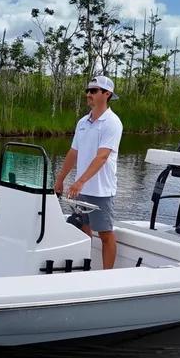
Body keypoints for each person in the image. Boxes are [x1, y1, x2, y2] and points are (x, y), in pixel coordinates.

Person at [53, 75, 123, 270]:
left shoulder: (112, 123)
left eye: (94, 91)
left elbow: (102, 157)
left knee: (105, 234)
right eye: (87, 90)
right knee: (83, 230)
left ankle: (107, 276)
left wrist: (81, 181)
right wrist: (60, 180)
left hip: (100, 190)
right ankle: (85, 269)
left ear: (107, 94)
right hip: (81, 189)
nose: (88, 94)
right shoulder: (83, 122)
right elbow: (73, 152)